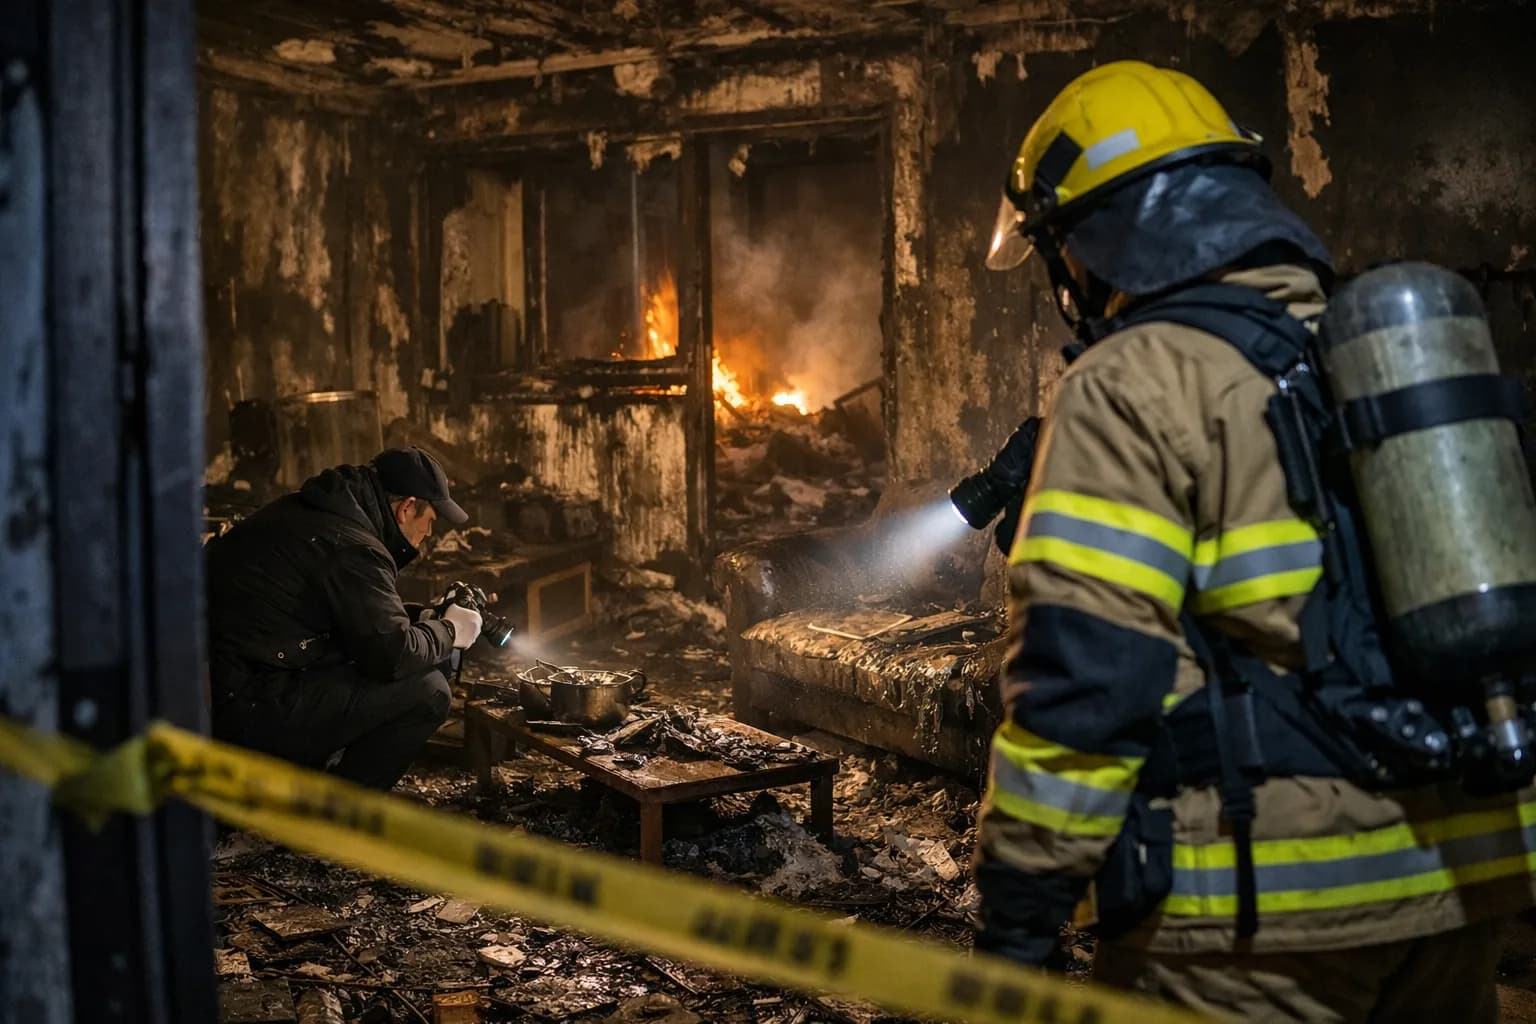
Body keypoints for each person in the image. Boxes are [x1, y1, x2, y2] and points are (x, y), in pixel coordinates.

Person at [973, 60, 1535, 1022]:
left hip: (1260, 917)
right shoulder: (1375, 349)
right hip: (1462, 879)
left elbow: (1085, 686)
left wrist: (1018, 922)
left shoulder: (1131, 380)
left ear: (1094, 240)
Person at [207, 446, 484, 790]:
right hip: (245, 706)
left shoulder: (319, 512)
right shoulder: (355, 547)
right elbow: (393, 655)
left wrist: (424, 617)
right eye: (430, 520)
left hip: (224, 681)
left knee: (399, 657)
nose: (429, 532)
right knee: (429, 690)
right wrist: (450, 630)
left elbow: (358, 617)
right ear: (406, 508)